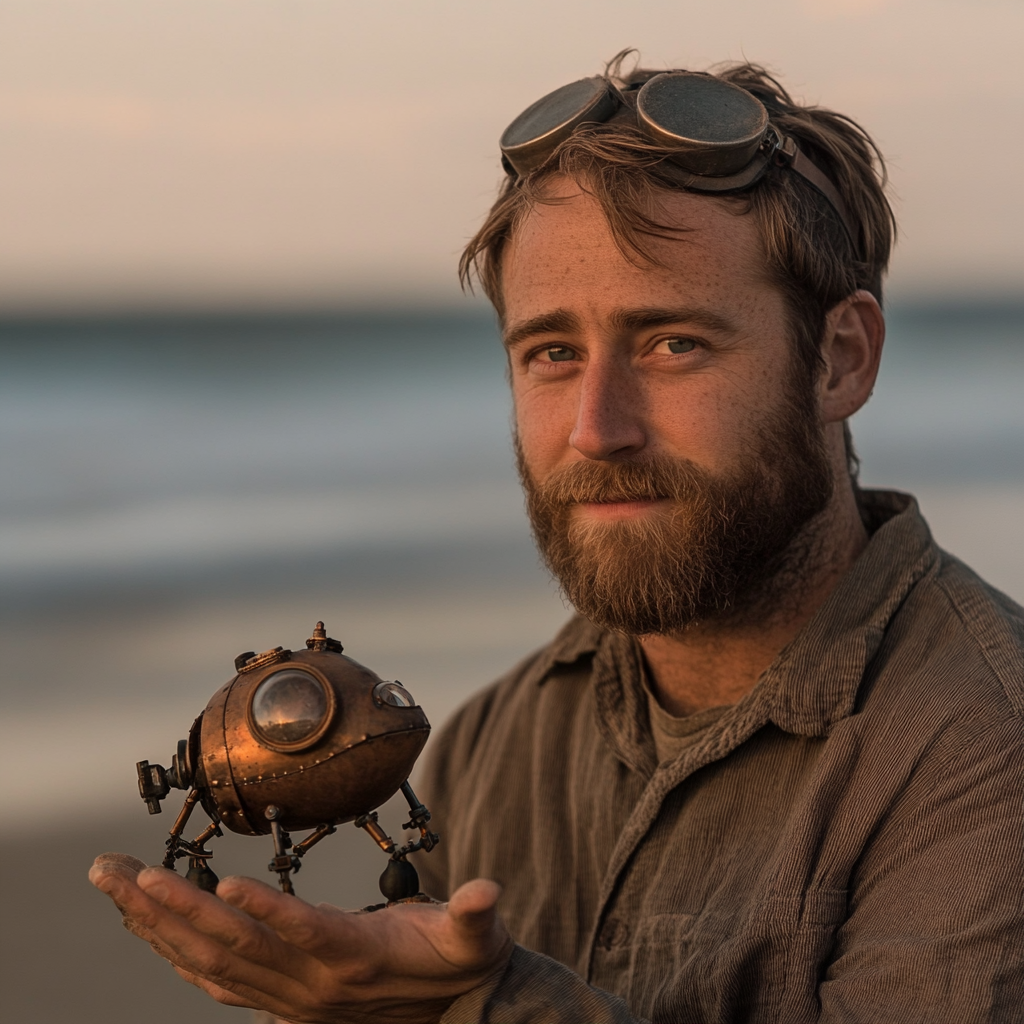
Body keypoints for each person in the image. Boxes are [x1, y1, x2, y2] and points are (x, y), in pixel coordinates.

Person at [91, 55, 1024, 1023]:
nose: (595, 427)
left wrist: (487, 1007)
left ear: (839, 360)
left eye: (672, 343)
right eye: (552, 353)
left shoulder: (982, 749)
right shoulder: (498, 742)